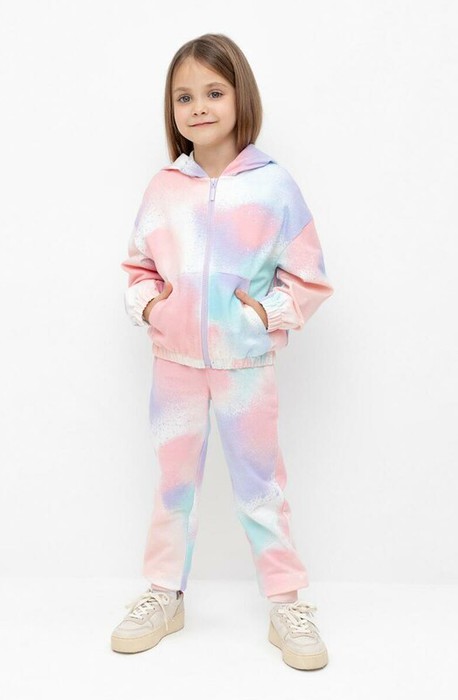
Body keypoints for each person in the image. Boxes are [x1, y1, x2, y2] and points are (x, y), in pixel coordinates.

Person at [111, 33, 334, 671]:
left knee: (261, 486)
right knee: (173, 486)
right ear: (171, 109)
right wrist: (153, 308)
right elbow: (137, 268)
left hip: (245, 368)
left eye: (213, 92)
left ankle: (286, 603)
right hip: (175, 365)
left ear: (241, 98)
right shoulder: (164, 188)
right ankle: (164, 594)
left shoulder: (274, 187)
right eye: (184, 97)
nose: (199, 107)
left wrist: (262, 316)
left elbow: (309, 278)